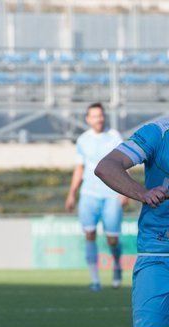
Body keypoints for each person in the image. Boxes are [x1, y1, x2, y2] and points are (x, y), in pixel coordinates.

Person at [65, 103, 126, 291]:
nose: (98, 119)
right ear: (87, 119)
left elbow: (123, 164)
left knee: (112, 239)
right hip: (89, 194)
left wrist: (125, 191)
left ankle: (117, 266)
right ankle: (95, 280)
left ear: (104, 116)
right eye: (94, 116)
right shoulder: (83, 140)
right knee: (89, 234)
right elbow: (79, 169)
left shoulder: (114, 136)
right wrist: (71, 194)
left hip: (111, 194)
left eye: (100, 115)